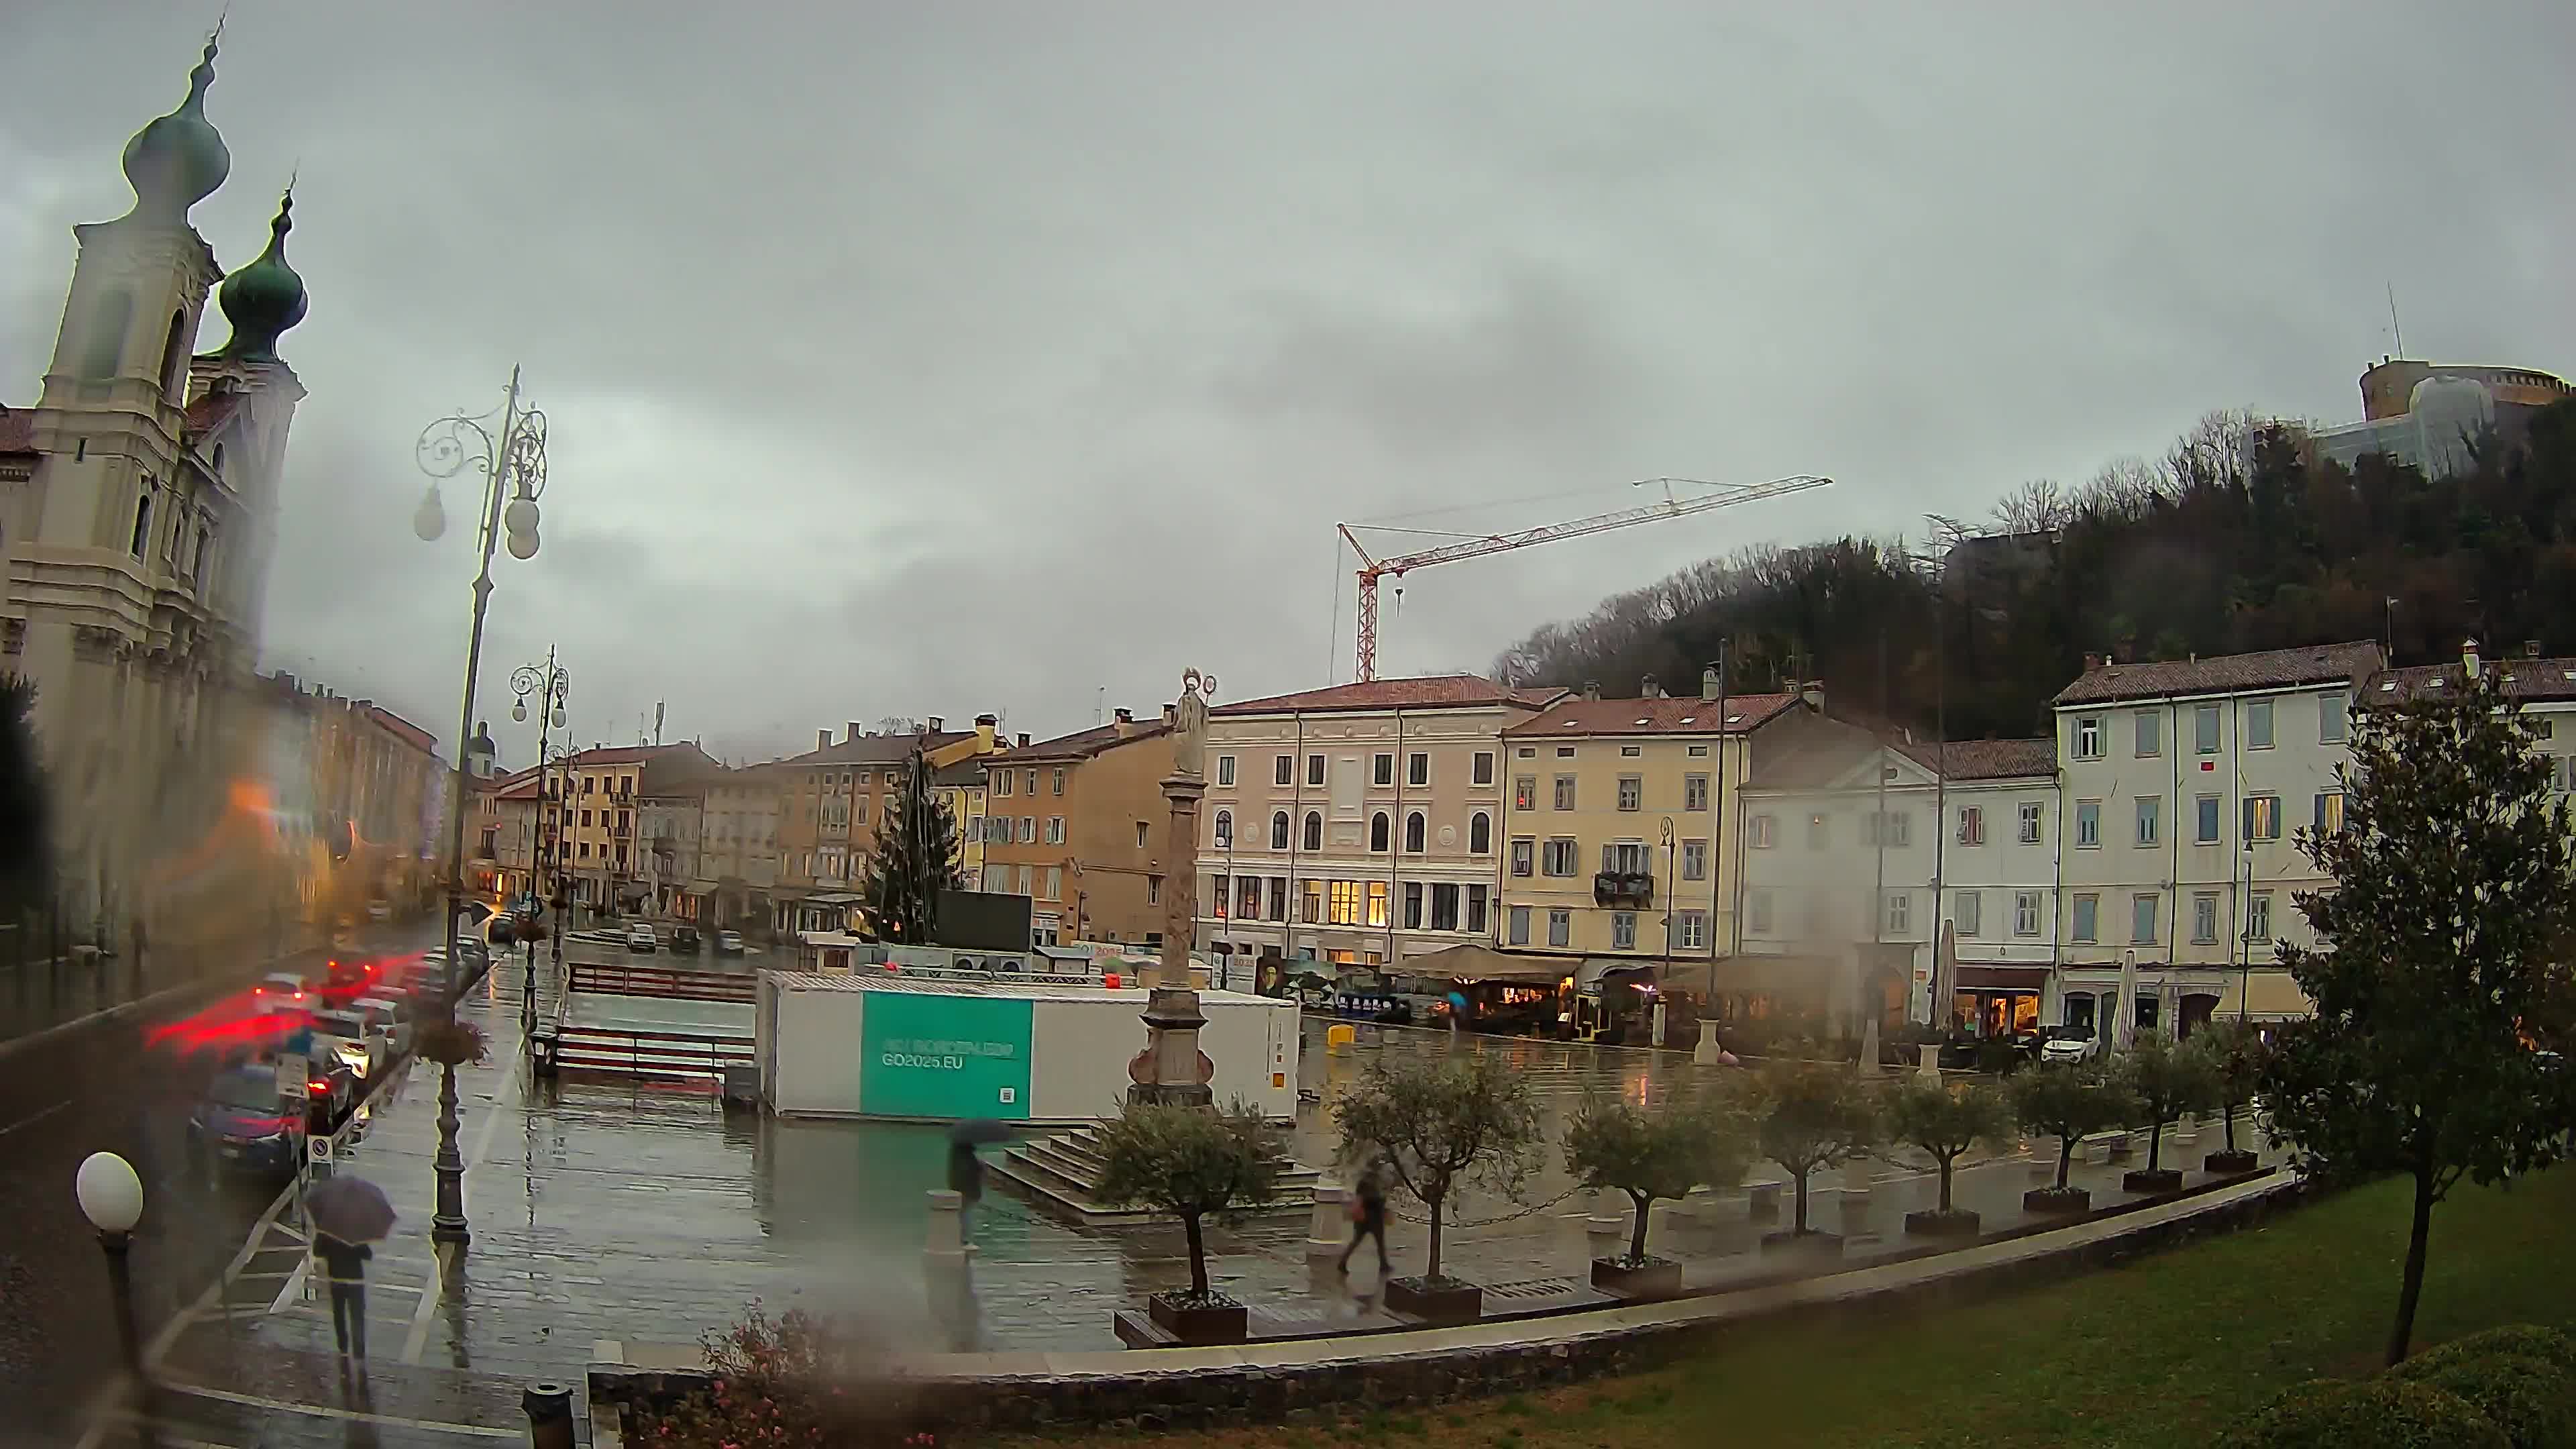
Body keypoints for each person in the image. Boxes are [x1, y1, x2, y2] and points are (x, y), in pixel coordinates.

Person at [316, 1231, 372, 1367]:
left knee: (339, 1314)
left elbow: (317, 1251)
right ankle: (359, 1352)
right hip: (355, 1281)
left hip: (337, 1279)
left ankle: (343, 1347)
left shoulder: (326, 1231)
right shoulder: (356, 1230)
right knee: (357, 1316)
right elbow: (367, 1255)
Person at [1336, 1157, 1391, 1277]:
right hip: (1372, 1217)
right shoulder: (1370, 1181)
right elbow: (1370, 1198)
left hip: (1366, 1217)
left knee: (1360, 1241)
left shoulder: (1367, 1180)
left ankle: (1383, 1264)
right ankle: (1383, 1264)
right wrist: (1381, 1200)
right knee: (1377, 1242)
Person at [947, 1140, 985, 1239]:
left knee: (963, 1214)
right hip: (969, 1191)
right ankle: (964, 1238)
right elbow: (979, 1173)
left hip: (962, 1189)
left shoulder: (957, 1155)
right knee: (965, 1214)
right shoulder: (973, 1156)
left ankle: (962, 1237)